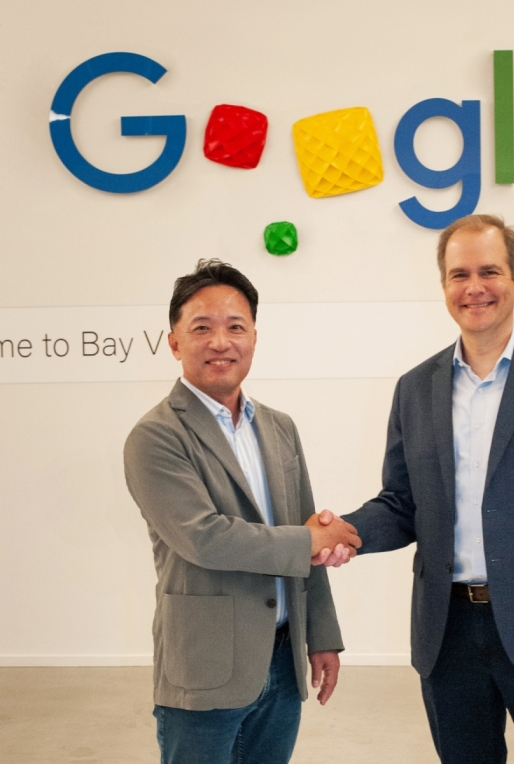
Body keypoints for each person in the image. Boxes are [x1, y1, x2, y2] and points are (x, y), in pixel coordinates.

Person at [339, 215, 514, 763]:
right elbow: (402, 504)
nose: (474, 288)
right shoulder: (415, 388)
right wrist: (346, 532)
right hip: (446, 633)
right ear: (444, 285)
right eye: (459, 274)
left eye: (489, 271)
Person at [124, 259, 360, 764]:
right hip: (205, 668)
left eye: (235, 327)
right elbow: (205, 538)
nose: (220, 342)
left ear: (254, 337)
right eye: (201, 328)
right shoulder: (156, 436)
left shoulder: (279, 427)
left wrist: (322, 635)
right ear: (174, 342)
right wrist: (311, 540)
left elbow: (308, 527)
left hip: (283, 659)